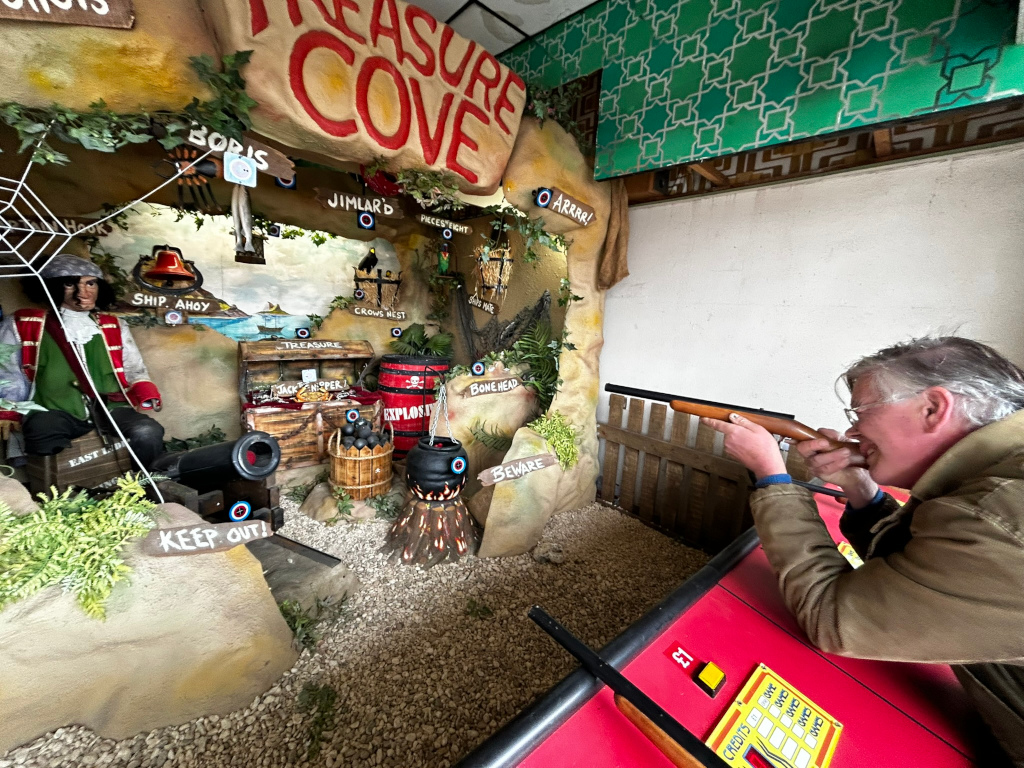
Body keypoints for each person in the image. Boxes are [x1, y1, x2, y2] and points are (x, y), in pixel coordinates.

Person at [702, 337, 1024, 766]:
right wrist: (860, 488)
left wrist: (771, 475)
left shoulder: (991, 514)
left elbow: (831, 617)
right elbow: (924, 568)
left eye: (862, 412)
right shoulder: (996, 481)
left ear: (933, 408)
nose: (853, 432)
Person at [0, 254, 165, 467]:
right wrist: (10, 408)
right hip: (52, 407)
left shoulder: (114, 325)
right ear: (52, 287)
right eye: (70, 284)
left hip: (110, 406)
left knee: (148, 432)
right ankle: (55, 486)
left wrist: (144, 390)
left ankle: (143, 481)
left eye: (91, 283)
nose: (83, 293)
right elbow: (8, 370)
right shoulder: (23, 323)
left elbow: (133, 366)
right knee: (42, 434)